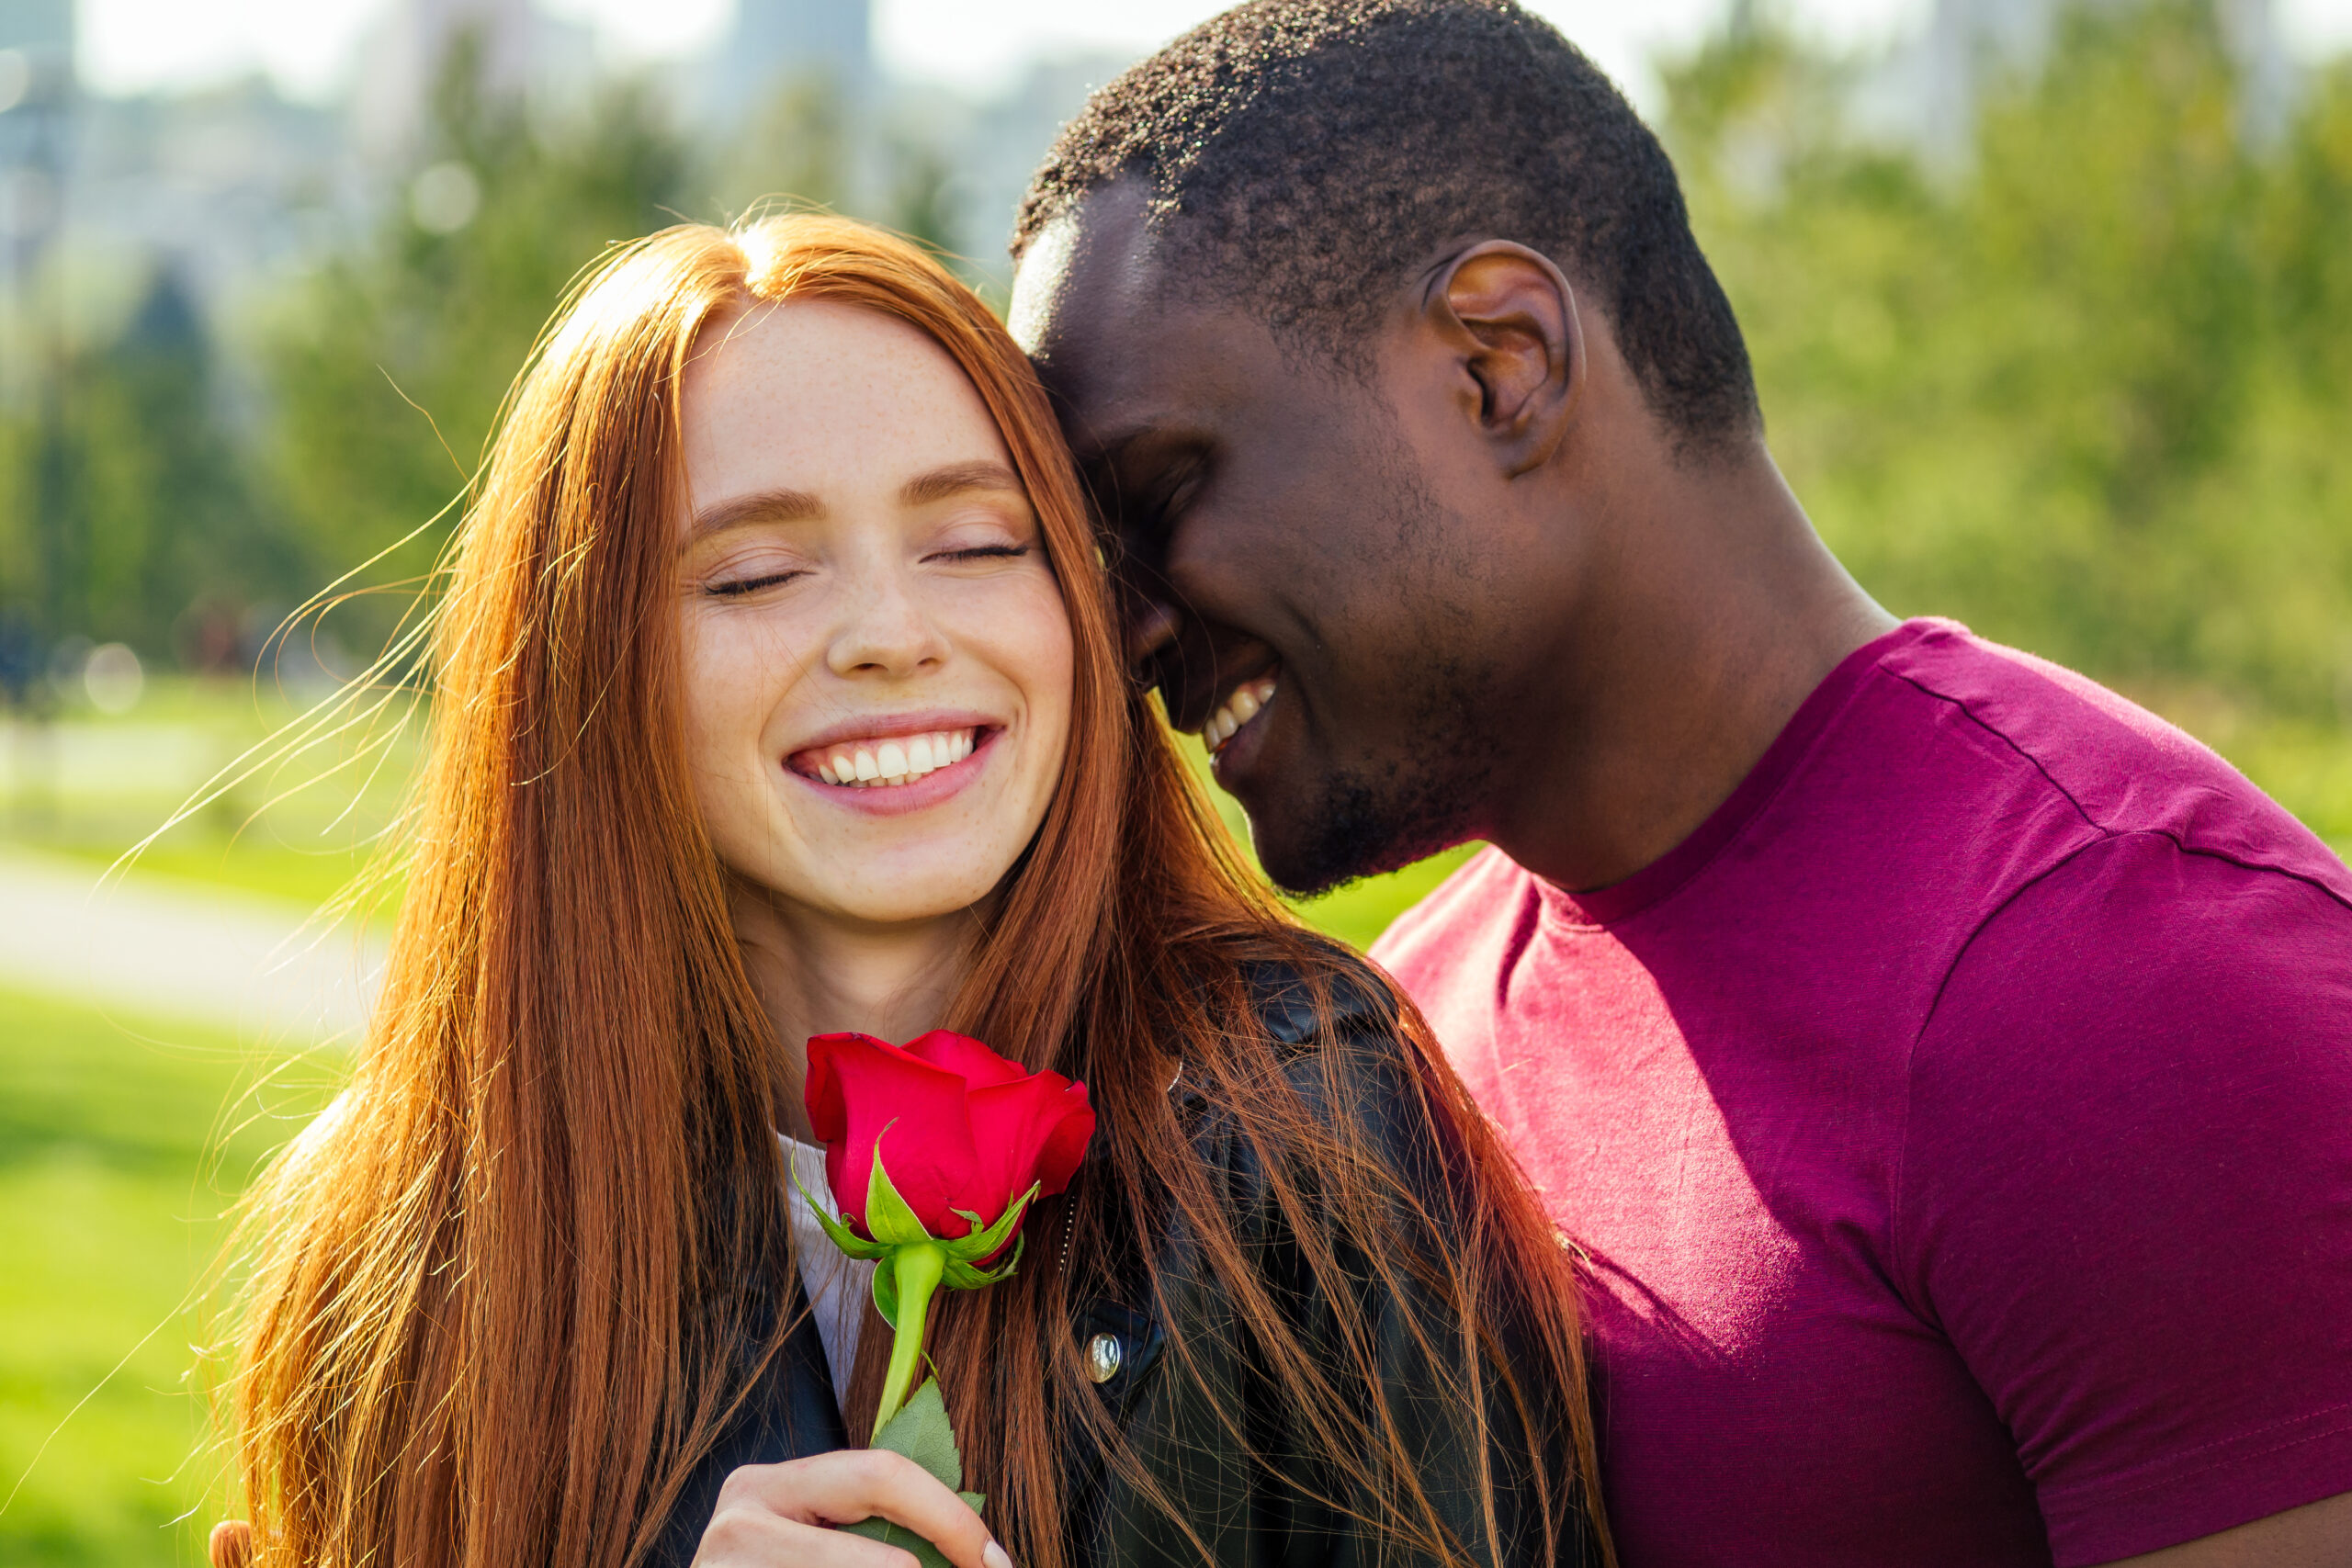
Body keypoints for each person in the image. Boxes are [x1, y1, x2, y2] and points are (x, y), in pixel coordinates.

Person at [1005, 3, 2352, 1566]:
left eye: (1162, 495)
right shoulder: (1393, 1046)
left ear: (1500, 365)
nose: (1126, 628)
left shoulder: (2121, 982)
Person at [206, 215, 1605, 1568]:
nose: (890, 637)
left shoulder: (1296, 1136)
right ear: (584, 667)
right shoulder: (415, 1241)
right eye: (753, 573)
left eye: (979, 543)